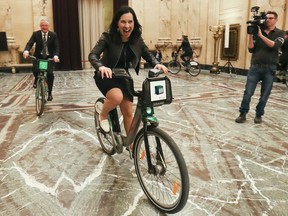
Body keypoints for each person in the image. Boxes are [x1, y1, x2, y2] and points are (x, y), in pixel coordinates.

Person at [89, 6, 169, 133]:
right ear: (117, 24)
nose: (127, 26)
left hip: (124, 77)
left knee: (128, 112)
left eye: (130, 22)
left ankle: (131, 146)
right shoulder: (107, 37)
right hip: (106, 75)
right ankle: (103, 114)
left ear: (134, 23)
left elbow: (147, 54)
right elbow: (93, 55)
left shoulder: (137, 39)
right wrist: (101, 67)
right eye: (123, 22)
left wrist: (156, 63)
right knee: (116, 98)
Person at [235, 11, 285, 124]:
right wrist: (251, 35)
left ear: (276, 20)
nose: (268, 20)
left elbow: (276, 45)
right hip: (255, 68)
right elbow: (251, 49)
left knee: (265, 95)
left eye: (271, 18)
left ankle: (259, 114)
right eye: (266, 18)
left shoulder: (280, 33)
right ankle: (242, 114)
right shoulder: (258, 31)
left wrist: (261, 36)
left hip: (269, 69)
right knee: (248, 92)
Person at [23, 19, 60, 101]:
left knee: (50, 74)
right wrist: (26, 51)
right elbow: (30, 43)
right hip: (39, 56)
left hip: (49, 57)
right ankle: (36, 79)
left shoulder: (53, 35)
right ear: (40, 26)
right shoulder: (36, 34)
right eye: (43, 25)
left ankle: (50, 93)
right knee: (35, 70)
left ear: (48, 26)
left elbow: (56, 46)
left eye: (46, 25)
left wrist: (56, 56)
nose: (44, 27)